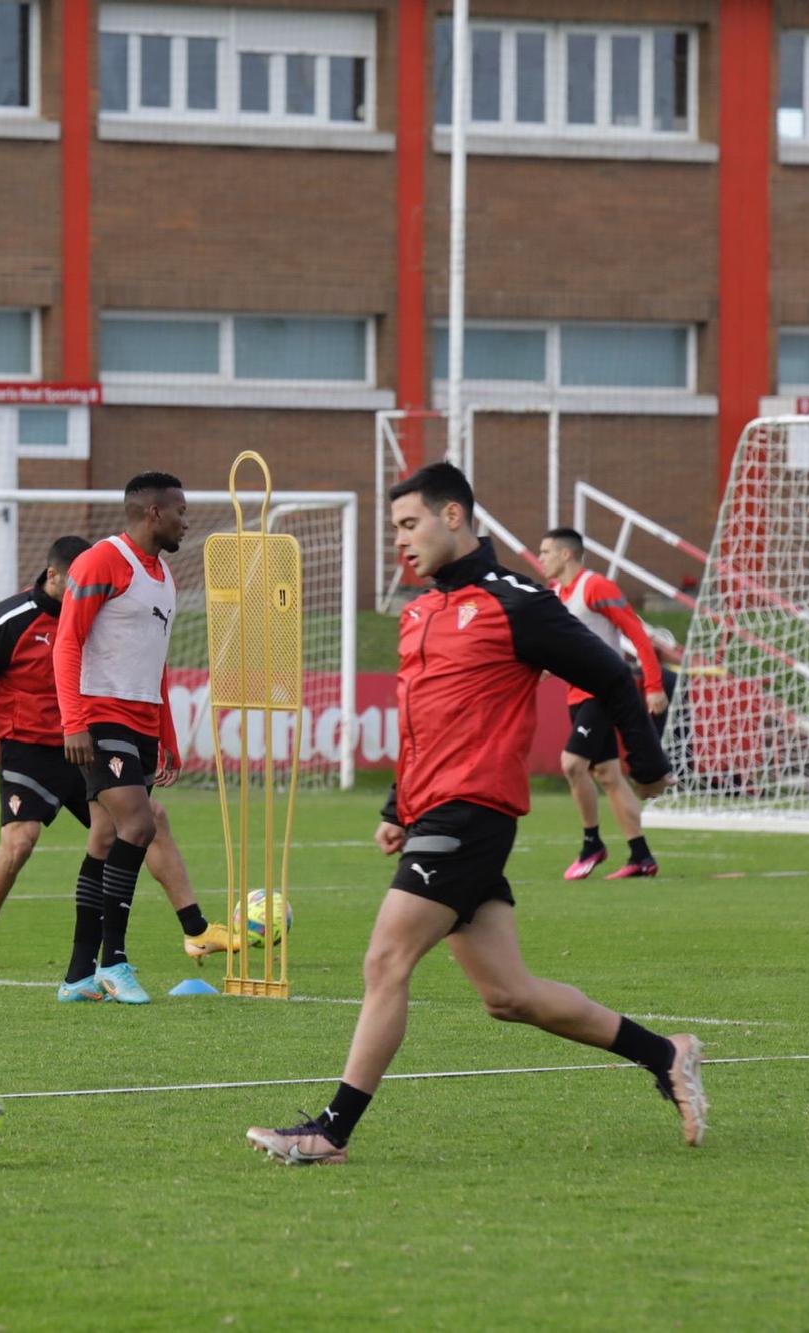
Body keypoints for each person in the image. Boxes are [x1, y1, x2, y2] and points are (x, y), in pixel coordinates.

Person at [245, 464, 706, 1166]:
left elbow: (611, 672)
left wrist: (645, 761)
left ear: (453, 515)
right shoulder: (418, 612)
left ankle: (330, 1131)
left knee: (385, 959)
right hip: (435, 812)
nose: (400, 541)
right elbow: (423, 722)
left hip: (473, 812)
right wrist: (398, 804)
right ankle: (664, 1052)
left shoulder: (516, 600)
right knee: (509, 995)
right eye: (393, 528)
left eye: (409, 524)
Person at [0, 536, 236, 972]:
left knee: (147, 820)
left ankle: (195, 930)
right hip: (30, 750)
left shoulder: (103, 615)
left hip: (89, 743)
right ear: (53, 574)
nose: (86, 587)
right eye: (75, 580)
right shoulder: (11, 618)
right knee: (21, 840)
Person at [51, 473, 190, 1005]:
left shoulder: (164, 576)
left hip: (142, 723)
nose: (186, 520)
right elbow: (68, 642)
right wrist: (74, 722)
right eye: (179, 509)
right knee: (140, 823)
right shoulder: (101, 561)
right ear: (153, 512)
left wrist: (168, 734)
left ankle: (77, 976)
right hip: (99, 718)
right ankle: (115, 961)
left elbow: (156, 666)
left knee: (105, 840)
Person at [536, 529, 674, 880]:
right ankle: (641, 855)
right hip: (577, 694)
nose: (541, 559)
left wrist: (654, 684)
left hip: (603, 691)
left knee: (571, 764)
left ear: (566, 555)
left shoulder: (595, 587)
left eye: (546, 552)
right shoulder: (555, 596)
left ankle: (591, 844)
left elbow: (637, 634)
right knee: (607, 775)